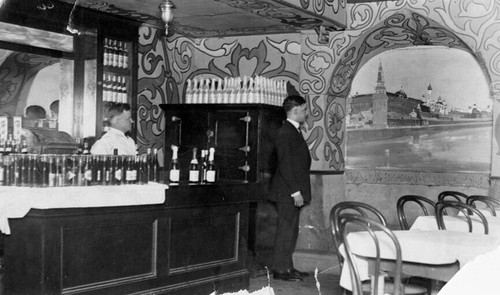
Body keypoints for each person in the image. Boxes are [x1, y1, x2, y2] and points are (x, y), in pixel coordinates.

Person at [268, 95, 311, 281]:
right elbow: (285, 165)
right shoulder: (286, 132)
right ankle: (279, 270)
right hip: (287, 191)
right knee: (286, 230)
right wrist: (295, 191)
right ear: (295, 111)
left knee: (291, 230)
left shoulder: (292, 130)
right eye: (304, 109)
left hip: (289, 190)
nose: (307, 113)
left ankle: (287, 267)